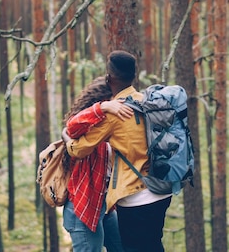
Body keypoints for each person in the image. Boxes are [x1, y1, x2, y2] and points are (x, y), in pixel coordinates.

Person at [64, 50, 172, 252]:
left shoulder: (115, 113)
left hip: (135, 198)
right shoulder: (146, 101)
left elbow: (77, 147)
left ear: (109, 77)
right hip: (162, 191)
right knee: (153, 245)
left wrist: (68, 139)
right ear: (133, 76)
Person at [61, 76, 131, 252]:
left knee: (122, 247)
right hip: (83, 209)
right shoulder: (88, 130)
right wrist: (102, 107)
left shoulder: (110, 129)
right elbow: (71, 128)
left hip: (104, 208)